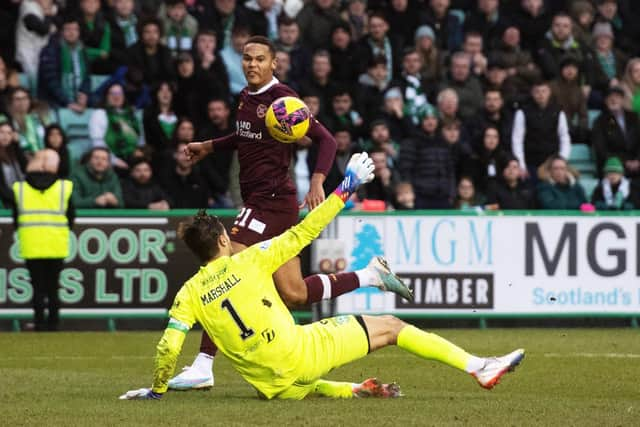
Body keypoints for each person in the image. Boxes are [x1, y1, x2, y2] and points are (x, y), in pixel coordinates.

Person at [120, 152, 525, 401]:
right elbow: (304, 230)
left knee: (299, 381)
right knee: (390, 326)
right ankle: (478, 366)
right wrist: (347, 185)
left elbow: (168, 348)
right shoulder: (254, 258)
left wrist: (157, 390)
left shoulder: (188, 294)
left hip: (272, 385)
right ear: (226, 238)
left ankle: (353, 389)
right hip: (300, 355)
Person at [169, 36, 412, 390]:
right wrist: (209, 146)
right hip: (262, 200)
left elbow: (326, 140)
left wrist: (317, 182)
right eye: (247, 59)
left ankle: (204, 363)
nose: (252, 64)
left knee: (223, 268)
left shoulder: (284, 100)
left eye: (259, 59)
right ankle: (370, 275)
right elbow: (244, 137)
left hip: (270, 200)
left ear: (274, 63)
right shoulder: (245, 98)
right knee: (294, 293)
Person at [12, 149, 74, 331]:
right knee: (53, 286)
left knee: (37, 287)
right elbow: (71, 217)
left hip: (31, 244)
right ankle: (53, 323)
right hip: (56, 244)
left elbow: (16, 219)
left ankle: (39, 322)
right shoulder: (64, 187)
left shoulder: (20, 188)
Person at [37, 14, 91, 111]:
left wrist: (84, 93)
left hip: (76, 101)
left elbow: (87, 77)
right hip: (53, 102)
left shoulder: (82, 51)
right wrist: (67, 102)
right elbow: (51, 82)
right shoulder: (50, 51)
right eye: (68, 29)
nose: (72, 33)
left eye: (75, 29)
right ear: (61, 32)